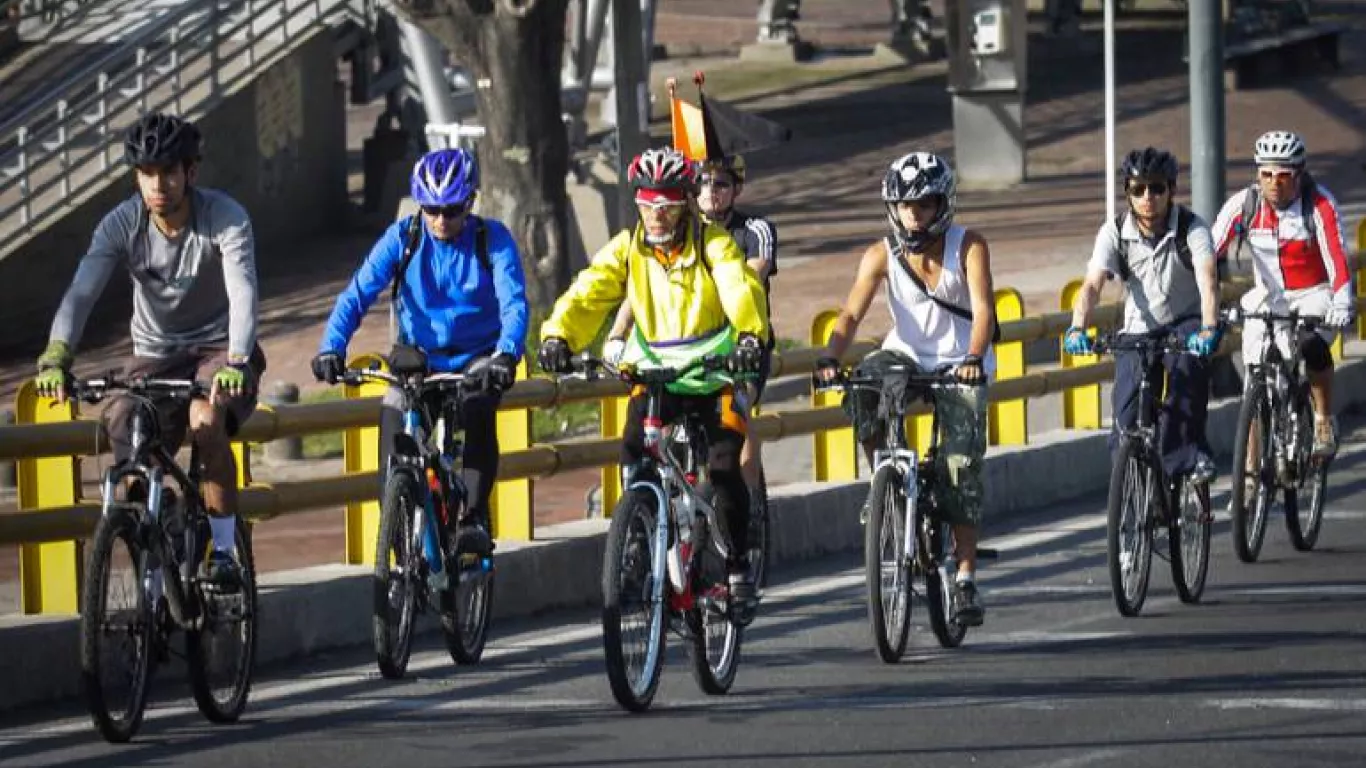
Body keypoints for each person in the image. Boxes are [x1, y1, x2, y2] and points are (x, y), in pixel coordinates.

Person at [536, 146, 769, 622]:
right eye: (646, 205)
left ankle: (739, 567)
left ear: (685, 201)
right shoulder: (629, 247)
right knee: (632, 452)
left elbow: (738, 285)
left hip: (712, 370)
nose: (656, 216)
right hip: (654, 371)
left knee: (724, 466)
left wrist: (749, 334)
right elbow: (591, 289)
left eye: (665, 205)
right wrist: (558, 334)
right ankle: (640, 529)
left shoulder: (714, 243)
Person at [34, 112, 265, 590]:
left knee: (206, 420)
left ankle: (223, 552)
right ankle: (162, 543)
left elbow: (243, 291)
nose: (157, 184)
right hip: (155, 353)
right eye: (146, 174)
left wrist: (238, 360)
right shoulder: (121, 224)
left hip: (220, 348)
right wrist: (57, 354)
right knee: (127, 436)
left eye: (168, 172)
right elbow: (81, 293)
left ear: (190, 173)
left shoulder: (224, 217)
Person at [312, 148, 529, 555]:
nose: (441, 221)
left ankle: (470, 522)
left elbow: (514, 302)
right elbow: (356, 295)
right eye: (432, 210)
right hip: (418, 358)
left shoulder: (492, 239)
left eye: (451, 210)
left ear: (470, 202)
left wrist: (506, 354)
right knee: (393, 419)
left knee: (480, 408)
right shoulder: (403, 237)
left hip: (477, 355)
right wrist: (332, 347)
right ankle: (395, 533)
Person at [814, 151, 993, 627]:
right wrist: (831, 358)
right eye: (905, 204)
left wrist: (974, 359)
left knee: (959, 465)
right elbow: (851, 314)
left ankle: (966, 576)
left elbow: (983, 313)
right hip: (908, 356)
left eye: (925, 204)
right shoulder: (880, 254)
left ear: (944, 204)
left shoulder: (968, 246)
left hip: (960, 362)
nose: (914, 214)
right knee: (865, 387)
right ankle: (886, 482)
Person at [604, 153, 778, 534]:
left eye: (721, 184)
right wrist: (616, 335)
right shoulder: (655, 241)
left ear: (736, 190)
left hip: (736, 350)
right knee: (645, 430)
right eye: (703, 184)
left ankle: (744, 517)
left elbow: (743, 283)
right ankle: (644, 521)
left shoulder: (751, 231)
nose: (711, 192)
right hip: (674, 355)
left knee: (738, 435)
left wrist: (745, 336)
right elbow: (637, 294)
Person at [1065, 147, 1221, 485]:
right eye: (1138, 189)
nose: (1147, 197)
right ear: (1128, 193)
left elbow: (1208, 281)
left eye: (1157, 188)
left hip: (1186, 325)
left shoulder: (1192, 229)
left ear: (1171, 189)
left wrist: (1209, 329)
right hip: (1138, 330)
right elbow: (1092, 285)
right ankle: (1132, 508)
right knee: (1125, 417)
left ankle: (1187, 458)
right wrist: (1078, 326)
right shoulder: (1115, 232)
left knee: (1186, 376)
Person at [1212, 130, 1353, 458]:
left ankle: (1322, 419)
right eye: (1267, 174)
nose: (1275, 182)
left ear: (1299, 174)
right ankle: (1248, 475)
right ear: (1258, 173)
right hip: (1267, 296)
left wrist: (1342, 301)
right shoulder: (1244, 205)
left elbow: (1337, 258)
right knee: (1254, 379)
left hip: (1314, 293)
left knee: (1311, 345)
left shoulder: (1320, 205)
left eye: (1284, 175)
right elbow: (1207, 253)